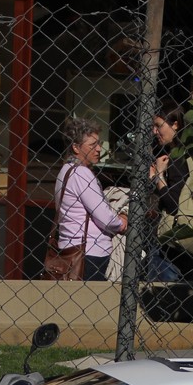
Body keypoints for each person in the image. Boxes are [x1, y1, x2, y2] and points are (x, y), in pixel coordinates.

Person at [53, 117, 127, 281]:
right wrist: (121, 222)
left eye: (99, 143)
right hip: (90, 252)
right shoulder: (82, 174)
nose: (99, 149)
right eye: (92, 145)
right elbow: (105, 218)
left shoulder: (65, 171)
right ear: (76, 148)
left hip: (70, 248)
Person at [149, 104, 193, 281]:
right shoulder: (192, 154)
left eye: (159, 125)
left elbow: (175, 204)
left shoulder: (177, 158)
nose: (155, 132)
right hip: (190, 250)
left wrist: (158, 177)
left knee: (158, 301)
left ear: (176, 124)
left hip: (171, 250)